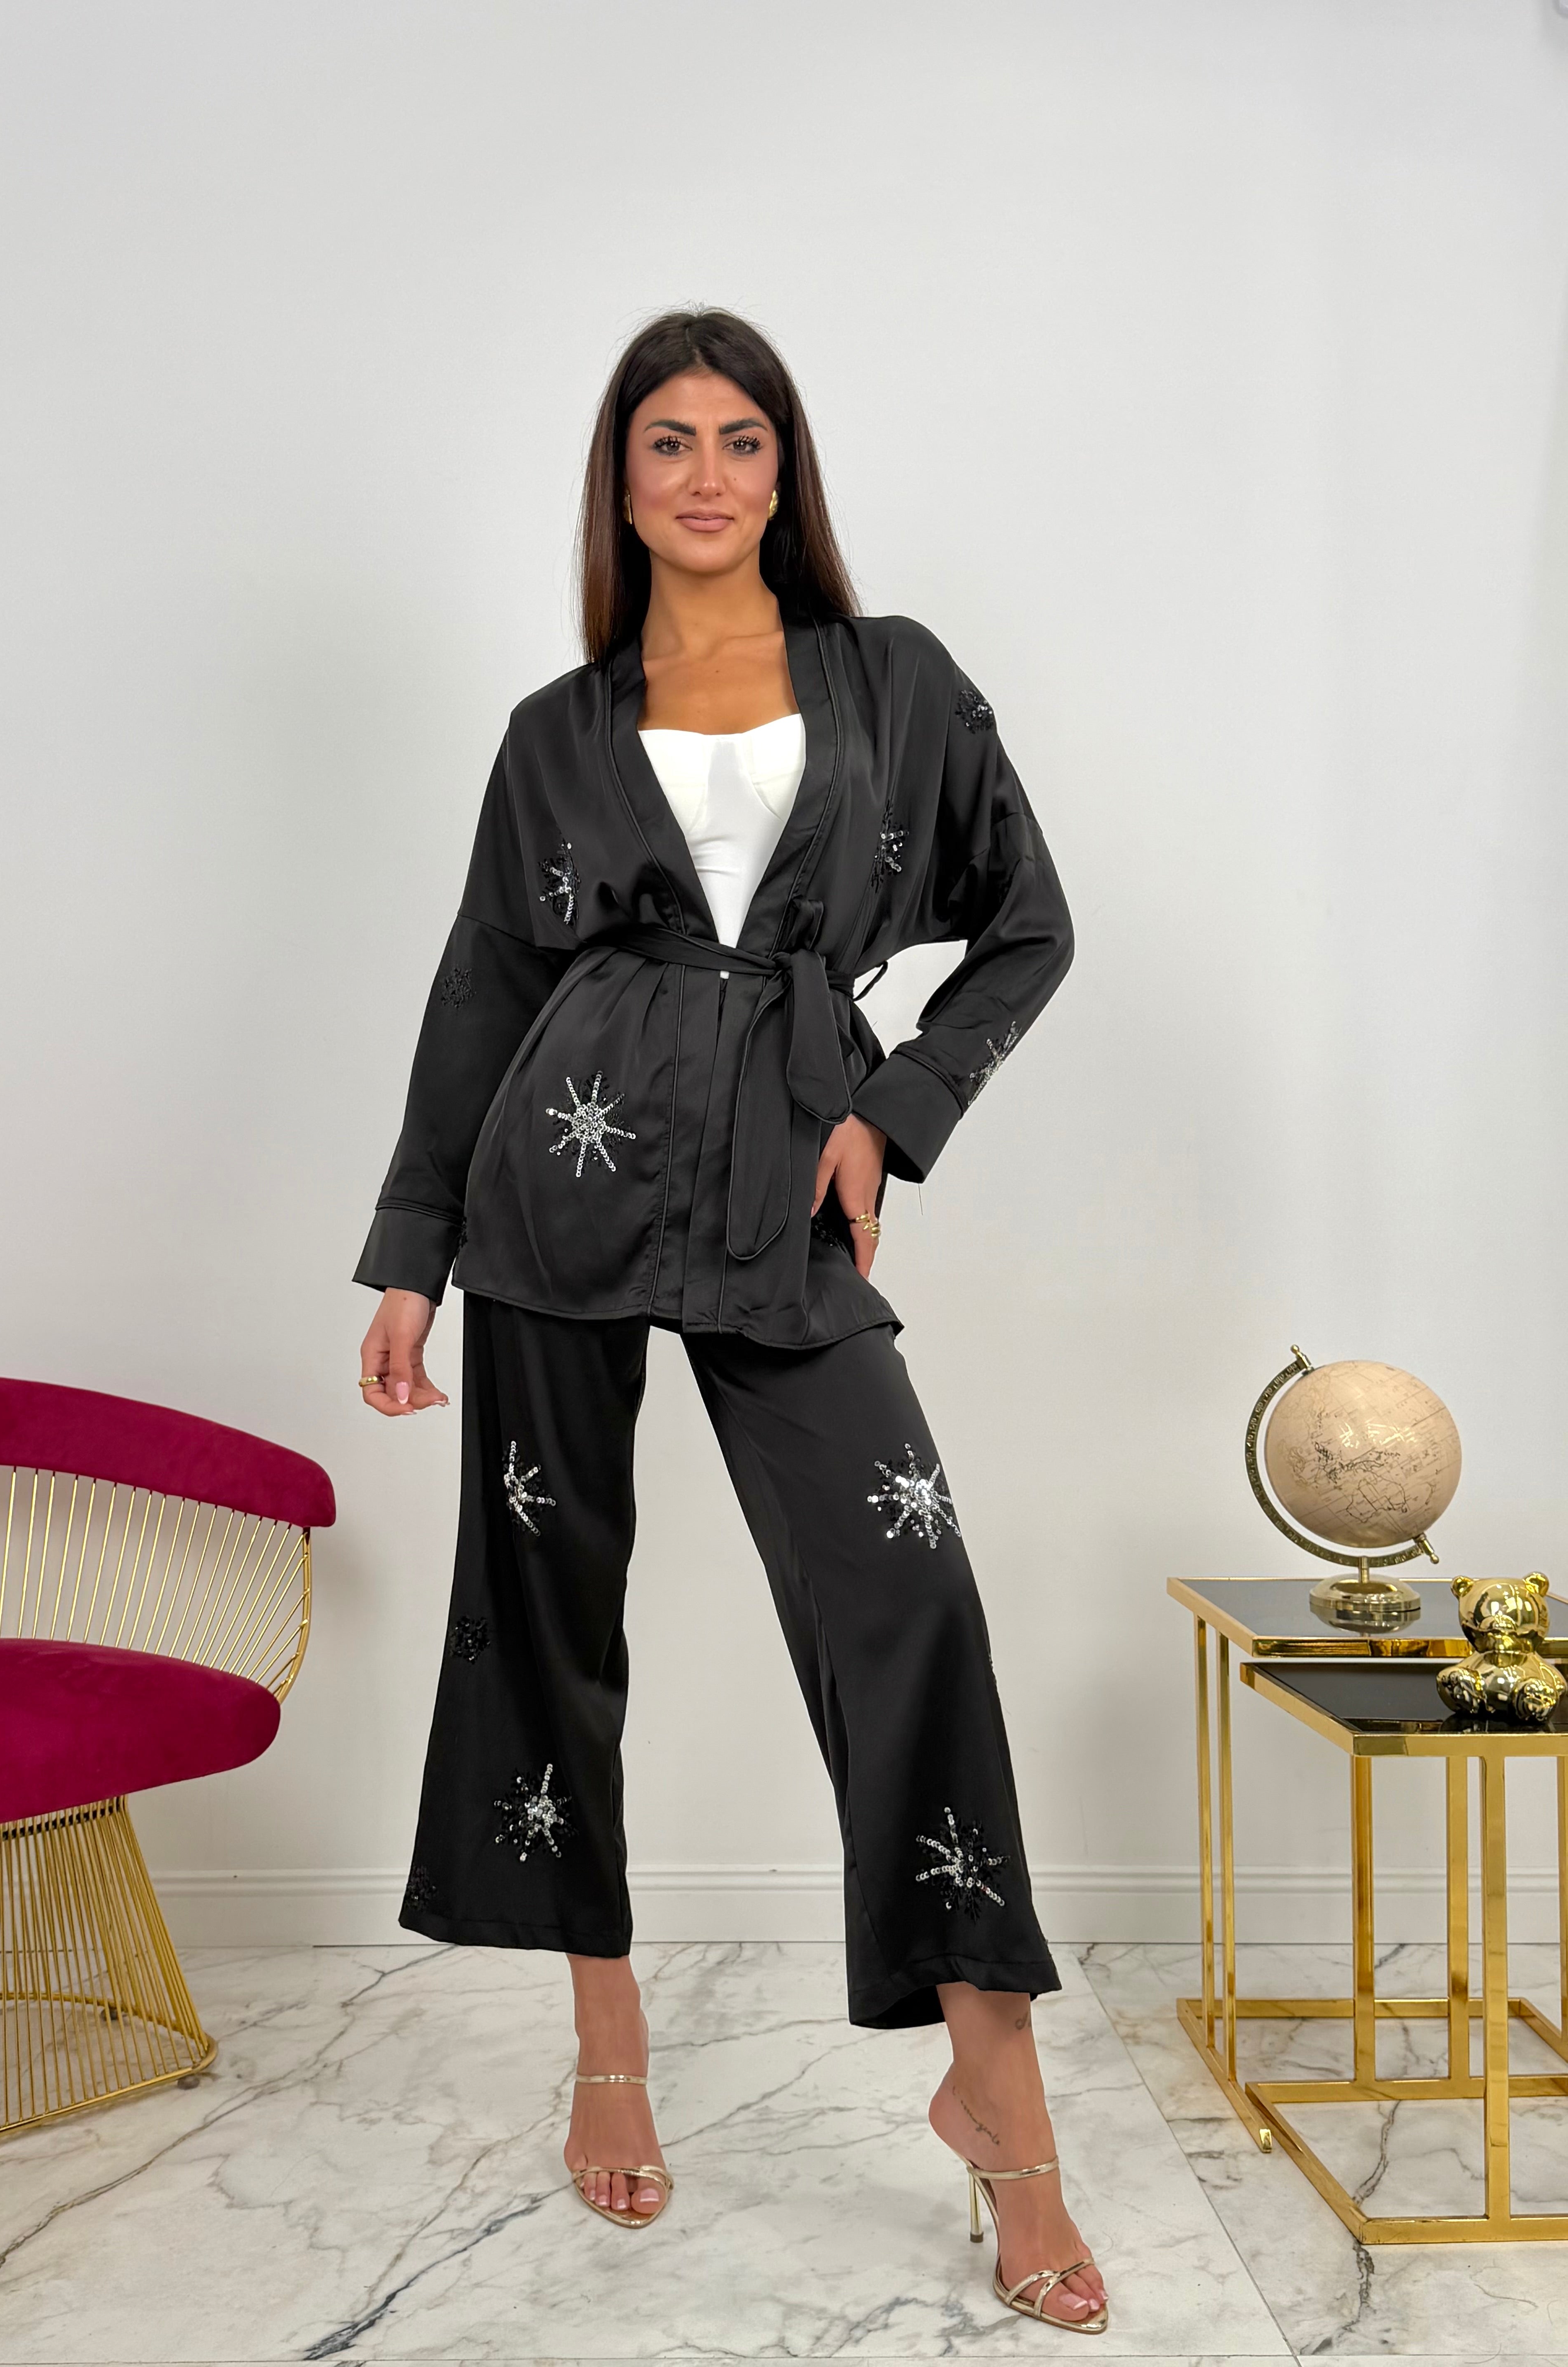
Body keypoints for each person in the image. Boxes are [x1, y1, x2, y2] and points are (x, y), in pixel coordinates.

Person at [355, 309, 1100, 2331]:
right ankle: (608, 2044)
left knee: (907, 1595)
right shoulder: (555, 728)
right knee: (546, 1607)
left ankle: (999, 2101)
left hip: (787, 1178)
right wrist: (414, 1253)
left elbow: (1029, 926)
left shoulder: (895, 679)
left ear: (787, 471)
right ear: (621, 478)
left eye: (742, 438)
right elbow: (483, 993)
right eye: (668, 439)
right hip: (561, 1183)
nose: (706, 473)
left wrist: (892, 1111)